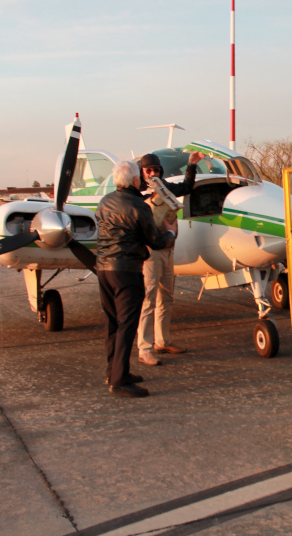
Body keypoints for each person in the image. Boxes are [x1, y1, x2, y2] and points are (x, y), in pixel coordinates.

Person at [95, 160, 177, 397]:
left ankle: (114, 371)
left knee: (112, 323)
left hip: (103, 269)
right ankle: (119, 382)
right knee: (127, 325)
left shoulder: (104, 202)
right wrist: (170, 233)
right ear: (133, 180)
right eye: (138, 177)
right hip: (127, 270)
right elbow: (154, 241)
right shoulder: (138, 205)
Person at [135, 150, 205, 367]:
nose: (153, 173)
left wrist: (191, 165)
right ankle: (144, 348)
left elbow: (186, 188)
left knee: (166, 297)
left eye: (156, 169)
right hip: (150, 252)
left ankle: (162, 341)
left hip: (167, 249)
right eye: (148, 170)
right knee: (148, 299)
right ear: (141, 172)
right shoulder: (136, 193)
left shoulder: (164, 187)